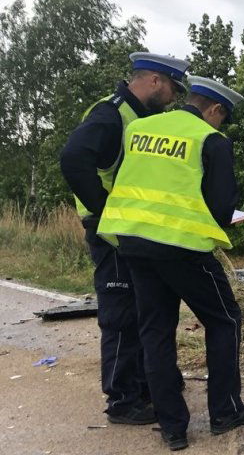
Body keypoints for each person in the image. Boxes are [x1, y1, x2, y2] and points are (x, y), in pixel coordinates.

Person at [97, 76, 244, 451]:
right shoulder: (211, 140)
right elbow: (220, 209)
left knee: (155, 330)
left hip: (134, 242)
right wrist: (223, 219)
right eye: (224, 117)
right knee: (225, 319)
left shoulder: (139, 128)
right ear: (216, 109)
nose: (221, 125)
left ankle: (173, 427)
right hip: (183, 248)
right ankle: (226, 412)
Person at [60, 52, 189, 425]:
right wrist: (106, 212)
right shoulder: (111, 114)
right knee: (120, 316)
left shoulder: (140, 118)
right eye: (172, 89)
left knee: (145, 312)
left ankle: (147, 386)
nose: (173, 98)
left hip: (133, 233)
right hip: (111, 233)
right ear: (153, 81)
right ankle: (122, 400)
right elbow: (73, 159)